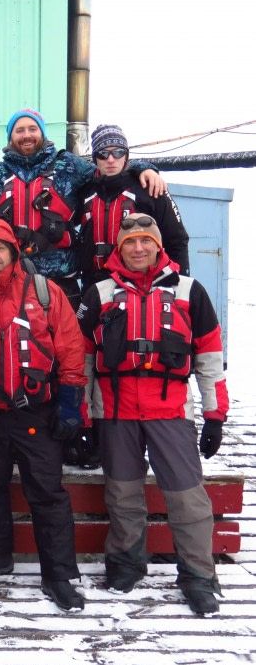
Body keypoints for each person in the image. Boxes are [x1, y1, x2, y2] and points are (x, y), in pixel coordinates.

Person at [76, 215, 228, 615]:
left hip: (170, 410)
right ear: (119, 249)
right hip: (115, 410)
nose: (138, 249)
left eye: (146, 242)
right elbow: (83, 362)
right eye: (130, 243)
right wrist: (84, 418)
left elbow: (211, 357)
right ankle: (126, 563)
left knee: (186, 498)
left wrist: (215, 416)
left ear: (159, 248)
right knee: (123, 494)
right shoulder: (99, 293)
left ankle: (198, 575)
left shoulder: (189, 292)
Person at [0, 219, 86, 612]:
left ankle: (58, 573)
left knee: (48, 492)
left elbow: (71, 348)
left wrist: (72, 402)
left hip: (36, 412)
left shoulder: (45, 293)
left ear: (12, 252)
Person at [0, 108, 165, 310]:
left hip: (61, 279)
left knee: (65, 347)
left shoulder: (68, 165)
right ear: (11, 136)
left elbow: (109, 170)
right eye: (19, 130)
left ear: (41, 133)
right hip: (11, 279)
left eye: (32, 128)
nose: (26, 135)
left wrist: (144, 167)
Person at [76, 123, 190, 292]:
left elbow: (177, 241)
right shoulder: (85, 191)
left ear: (126, 155)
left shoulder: (150, 188)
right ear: (95, 158)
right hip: (93, 287)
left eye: (118, 152)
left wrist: (180, 285)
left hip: (139, 287)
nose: (111, 159)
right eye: (103, 154)